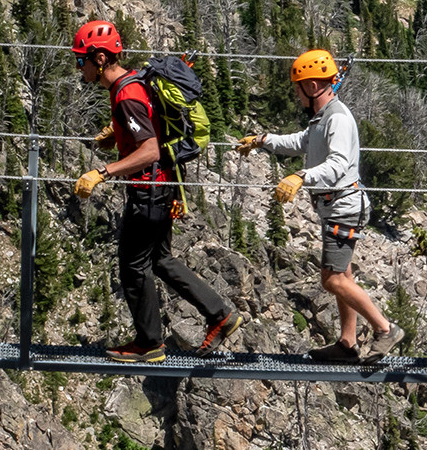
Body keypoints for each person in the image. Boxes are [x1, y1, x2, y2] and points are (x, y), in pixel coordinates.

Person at [70, 20, 243, 362]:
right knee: (161, 259)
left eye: (82, 60)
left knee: (133, 266)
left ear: (100, 58)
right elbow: (152, 128)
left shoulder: (125, 94)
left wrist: (101, 173)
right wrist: (118, 133)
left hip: (148, 191)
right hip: (162, 187)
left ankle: (149, 343)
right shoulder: (133, 81)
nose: (80, 67)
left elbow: (149, 150)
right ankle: (221, 315)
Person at [234, 49, 405, 365]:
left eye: (298, 86)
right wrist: (263, 140)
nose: (296, 93)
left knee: (332, 280)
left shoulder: (336, 118)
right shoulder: (323, 118)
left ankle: (385, 329)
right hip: (338, 206)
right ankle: (347, 342)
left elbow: (338, 164)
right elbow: (302, 142)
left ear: (312, 86)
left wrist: (301, 175)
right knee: (344, 276)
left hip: (343, 207)